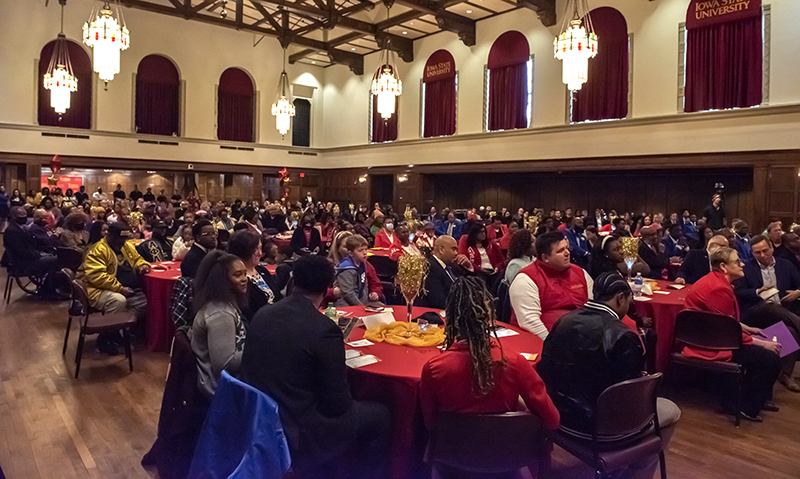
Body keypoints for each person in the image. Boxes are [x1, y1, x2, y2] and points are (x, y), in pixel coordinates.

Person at [241, 255, 390, 479]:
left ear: (294, 280)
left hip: (259, 413)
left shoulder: (263, 314)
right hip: (298, 426)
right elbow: (337, 404)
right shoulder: (324, 329)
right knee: (381, 415)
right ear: (327, 288)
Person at [538, 272, 680, 479]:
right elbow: (631, 398)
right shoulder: (623, 336)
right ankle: (635, 473)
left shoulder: (563, 322)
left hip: (561, 418)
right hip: (599, 430)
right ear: (620, 298)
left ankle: (623, 468)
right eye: (629, 300)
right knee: (671, 410)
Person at [420, 276, 560, 438]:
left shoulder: (433, 368)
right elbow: (552, 420)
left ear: (450, 318)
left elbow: (430, 424)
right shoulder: (514, 362)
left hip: (452, 454)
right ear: (489, 317)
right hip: (508, 453)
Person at [683, 247, 782, 421]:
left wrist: (749, 330)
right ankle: (741, 405)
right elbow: (727, 329)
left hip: (715, 336)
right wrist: (761, 343)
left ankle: (754, 397)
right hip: (711, 343)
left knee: (772, 344)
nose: (742, 264)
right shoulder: (717, 288)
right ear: (723, 266)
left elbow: (725, 320)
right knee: (769, 358)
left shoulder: (717, 282)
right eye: (737, 262)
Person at [733, 235, 800, 392]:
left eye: (765, 251)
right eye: (757, 253)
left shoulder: (786, 265)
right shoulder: (747, 268)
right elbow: (739, 292)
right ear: (752, 253)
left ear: (772, 248)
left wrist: (797, 293)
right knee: (769, 306)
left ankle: (785, 374)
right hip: (755, 312)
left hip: (782, 311)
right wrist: (757, 291)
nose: (762, 255)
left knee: (791, 330)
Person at [78, 223, 150, 355]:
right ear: (109, 236)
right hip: (95, 288)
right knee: (118, 301)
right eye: (118, 239)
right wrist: (120, 289)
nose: (121, 243)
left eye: (123, 239)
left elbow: (137, 258)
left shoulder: (126, 246)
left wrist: (142, 265)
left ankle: (117, 331)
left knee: (144, 303)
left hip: (124, 288)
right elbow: (97, 276)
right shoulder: (97, 250)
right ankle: (104, 340)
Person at [509, 232, 594, 340]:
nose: (567, 253)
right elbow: (529, 322)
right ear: (545, 258)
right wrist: (552, 346)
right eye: (560, 251)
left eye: (567, 248)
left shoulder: (580, 273)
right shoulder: (526, 279)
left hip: (582, 338)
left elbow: (593, 307)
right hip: (541, 343)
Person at [191, 251, 248, 398]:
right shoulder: (220, 314)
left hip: (229, 383)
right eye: (237, 275)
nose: (244, 279)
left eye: (244, 273)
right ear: (223, 281)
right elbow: (225, 365)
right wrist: (257, 348)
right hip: (220, 390)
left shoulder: (225, 304)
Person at [227, 230, 283, 323]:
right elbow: (247, 312)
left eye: (260, 249)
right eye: (255, 250)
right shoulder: (238, 279)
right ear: (244, 251)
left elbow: (277, 295)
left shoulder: (262, 270)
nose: (259, 253)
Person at [2, 207, 60, 283]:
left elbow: (31, 244)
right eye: (21, 216)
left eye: (24, 215)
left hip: (29, 258)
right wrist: (39, 254)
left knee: (54, 256)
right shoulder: (11, 231)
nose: (24, 217)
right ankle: (48, 288)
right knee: (56, 259)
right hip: (21, 264)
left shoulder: (21, 227)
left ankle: (51, 285)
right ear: (14, 216)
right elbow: (21, 252)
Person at [418, 236, 474, 310]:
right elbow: (439, 301)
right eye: (453, 249)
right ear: (441, 250)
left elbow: (468, 287)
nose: (456, 253)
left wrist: (469, 267)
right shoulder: (430, 267)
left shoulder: (454, 266)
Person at [461, 223, 504, 291]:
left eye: (484, 232)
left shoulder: (492, 245)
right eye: (480, 232)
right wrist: (479, 269)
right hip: (477, 273)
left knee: (498, 279)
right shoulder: (469, 247)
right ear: (474, 234)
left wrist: (497, 267)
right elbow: (466, 261)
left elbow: (501, 259)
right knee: (481, 279)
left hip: (493, 272)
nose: (483, 234)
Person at [334, 235, 373, 307]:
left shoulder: (362, 263)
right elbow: (348, 293)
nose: (365, 253)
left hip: (360, 300)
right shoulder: (347, 268)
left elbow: (364, 284)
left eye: (365, 249)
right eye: (360, 250)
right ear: (351, 253)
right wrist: (361, 307)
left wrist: (366, 304)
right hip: (345, 304)